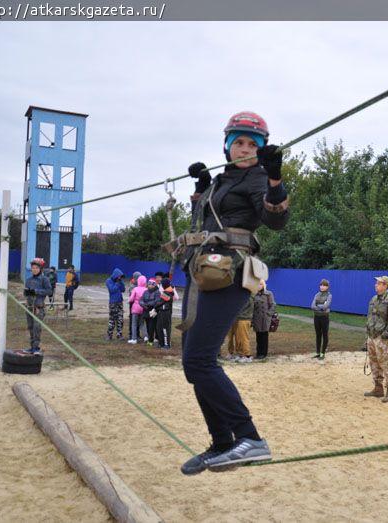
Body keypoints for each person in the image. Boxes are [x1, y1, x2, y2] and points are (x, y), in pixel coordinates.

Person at [179, 111, 289, 475]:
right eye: (237, 142)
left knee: (199, 361)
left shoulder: (257, 178)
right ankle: (222, 442)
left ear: (260, 150)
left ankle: (249, 438)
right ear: (226, 146)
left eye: (251, 144)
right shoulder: (224, 180)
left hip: (229, 272)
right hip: (202, 270)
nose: (244, 149)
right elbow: (205, 221)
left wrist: (275, 179)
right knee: (193, 365)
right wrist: (202, 186)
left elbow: (275, 219)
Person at [364, 275, 388, 403]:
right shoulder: (374, 299)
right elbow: (370, 317)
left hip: (383, 338)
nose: (376, 285)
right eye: (376, 283)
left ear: (385, 285)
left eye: (379, 283)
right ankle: (378, 388)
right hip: (372, 336)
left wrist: (386, 335)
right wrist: (368, 333)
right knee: (374, 362)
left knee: (385, 363)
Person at [22, 257, 51, 355]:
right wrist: (27, 293)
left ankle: (36, 348)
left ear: (40, 269)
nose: (34, 270)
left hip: (39, 308)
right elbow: (25, 292)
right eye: (33, 268)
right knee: (30, 327)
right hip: (29, 307)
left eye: (36, 268)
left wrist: (36, 291)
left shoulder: (44, 279)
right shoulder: (28, 280)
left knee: (36, 327)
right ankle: (32, 347)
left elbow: (49, 291)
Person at [252, 280, 276, 361]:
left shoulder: (268, 294)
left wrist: (268, 314)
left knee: (264, 336)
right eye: (258, 284)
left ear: (264, 285)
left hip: (265, 318)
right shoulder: (254, 294)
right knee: (258, 336)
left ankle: (264, 353)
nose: (259, 285)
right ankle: (259, 353)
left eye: (261, 284)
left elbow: (273, 304)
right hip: (257, 318)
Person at [310, 278, 332, 359]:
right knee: (318, 335)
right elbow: (312, 306)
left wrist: (318, 306)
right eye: (321, 285)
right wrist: (321, 307)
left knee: (325, 335)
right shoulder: (317, 295)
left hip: (324, 318)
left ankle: (323, 353)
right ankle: (318, 352)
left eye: (324, 285)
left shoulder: (329, 295)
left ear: (327, 287)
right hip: (316, 317)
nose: (322, 287)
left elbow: (326, 306)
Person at [105, 268, 125, 340]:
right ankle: (109, 335)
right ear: (115, 275)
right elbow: (112, 290)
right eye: (119, 276)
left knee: (120, 319)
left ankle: (119, 334)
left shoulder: (119, 281)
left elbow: (123, 290)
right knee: (112, 319)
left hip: (120, 302)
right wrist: (117, 283)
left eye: (121, 276)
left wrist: (121, 282)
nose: (120, 278)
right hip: (113, 302)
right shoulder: (108, 281)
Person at [154, 278, 175, 350]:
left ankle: (167, 344)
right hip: (161, 312)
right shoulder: (166, 291)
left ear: (164, 285)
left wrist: (154, 307)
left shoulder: (168, 292)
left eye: (162, 284)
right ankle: (161, 343)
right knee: (159, 327)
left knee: (165, 329)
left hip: (165, 312)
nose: (161, 285)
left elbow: (160, 302)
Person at [127, 275, 148, 344]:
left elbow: (131, 299)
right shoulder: (146, 289)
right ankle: (146, 336)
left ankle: (134, 339)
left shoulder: (135, 289)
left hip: (135, 308)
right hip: (143, 308)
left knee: (134, 324)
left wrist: (129, 301)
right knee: (142, 323)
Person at [140, 278, 161, 346]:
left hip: (153, 311)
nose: (149, 286)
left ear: (154, 285)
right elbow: (141, 300)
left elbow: (156, 301)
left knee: (152, 326)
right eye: (148, 284)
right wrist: (143, 304)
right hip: (145, 310)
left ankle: (151, 340)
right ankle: (149, 338)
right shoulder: (145, 292)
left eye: (151, 284)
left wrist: (148, 304)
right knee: (148, 325)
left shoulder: (157, 292)